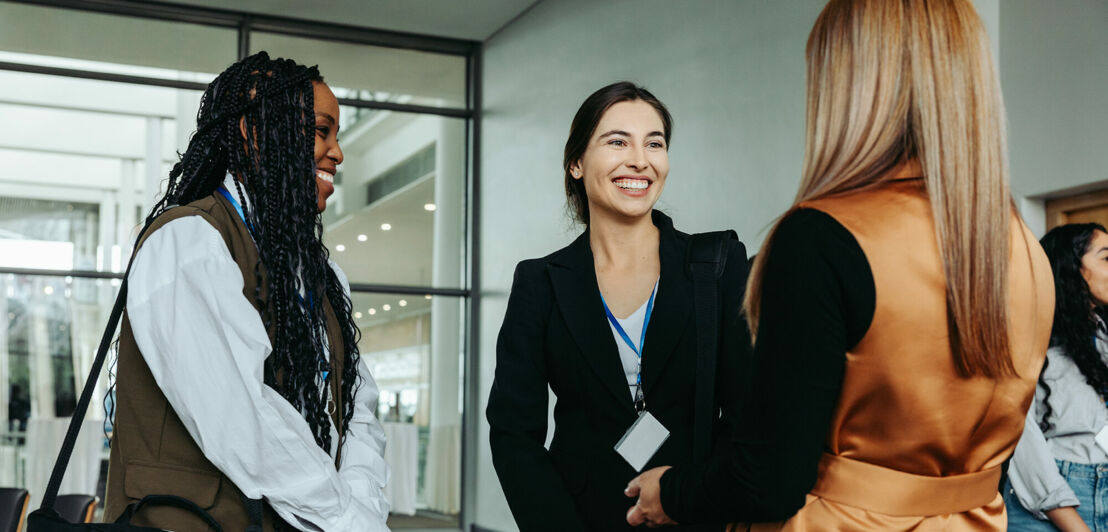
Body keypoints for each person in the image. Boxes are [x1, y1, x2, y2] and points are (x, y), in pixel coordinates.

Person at [624, 0, 1055, 530]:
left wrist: (671, 490)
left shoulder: (822, 237)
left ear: (848, 83)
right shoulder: (1024, 250)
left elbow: (767, 480)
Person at [103, 52, 390, 531]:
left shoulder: (321, 275)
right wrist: (344, 516)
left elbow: (358, 409)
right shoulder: (187, 243)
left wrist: (361, 505)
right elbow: (238, 418)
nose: (337, 152)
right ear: (254, 131)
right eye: (322, 131)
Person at [486, 81, 749, 531]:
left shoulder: (715, 265)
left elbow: (748, 414)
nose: (640, 160)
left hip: (694, 514)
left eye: (655, 143)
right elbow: (514, 435)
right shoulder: (541, 282)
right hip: (582, 518)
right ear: (576, 163)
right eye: (617, 141)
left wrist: (693, 495)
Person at [1005, 223, 1108, 532]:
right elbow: (1021, 439)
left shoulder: (1102, 336)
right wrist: (1073, 524)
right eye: (1106, 257)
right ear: (1071, 268)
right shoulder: (1027, 340)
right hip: (1052, 501)